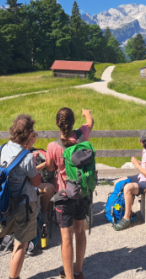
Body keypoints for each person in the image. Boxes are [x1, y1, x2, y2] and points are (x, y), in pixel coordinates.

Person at [0, 114, 41, 279]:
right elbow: (36, 182)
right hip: (23, 203)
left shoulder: (0, 149)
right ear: (28, 135)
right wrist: (33, 157)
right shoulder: (27, 157)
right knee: (20, 243)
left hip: (1, 202)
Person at [45, 108, 94, 279]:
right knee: (80, 231)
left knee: (66, 238)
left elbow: (51, 168)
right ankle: (78, 271)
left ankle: (68, 276)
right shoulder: (83, 136)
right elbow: (89, 122)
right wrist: (86, 112)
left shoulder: (53, 146)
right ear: (73, 123)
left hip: (64, 194)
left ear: (57, 124)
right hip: (82, 192)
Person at [112, 129, 146, 231]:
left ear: (140, 141)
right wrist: (140, 162)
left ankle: (126, 217)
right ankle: (120, 207)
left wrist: (135, 164)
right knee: (119, 181)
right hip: (143, 177)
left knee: (128, 188)